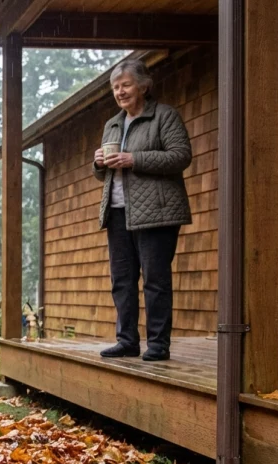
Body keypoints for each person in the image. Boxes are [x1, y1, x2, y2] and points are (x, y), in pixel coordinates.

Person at [93, 59, 192, 362]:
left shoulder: (164, 116)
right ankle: (127, 341)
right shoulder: (112, 124)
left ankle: (159, 345)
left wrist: (133, 159)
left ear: (143, 86)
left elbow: (180, 156)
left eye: (125, 85)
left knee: (155, 279)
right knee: (122, 279)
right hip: (118, 210)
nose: (119, 92)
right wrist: (99, 163)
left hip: (157, 211)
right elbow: (105, 174)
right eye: (115, 87)